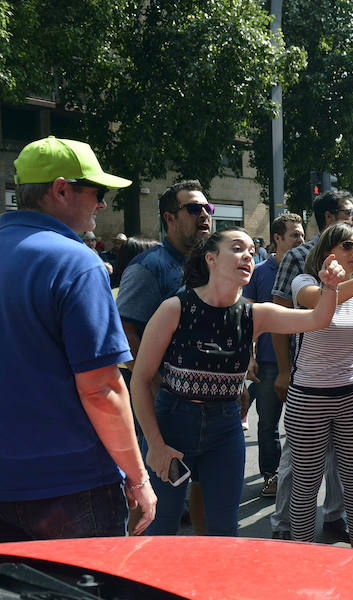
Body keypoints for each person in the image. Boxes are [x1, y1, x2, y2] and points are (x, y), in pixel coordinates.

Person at [131, 227, 344, 536]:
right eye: (236, 248)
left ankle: (213, 585)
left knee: (224, 530)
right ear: (211, 259)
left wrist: (331, 287)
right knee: (160, 526)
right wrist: (155, 445)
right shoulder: (176, 308)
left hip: (225, 428)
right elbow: (139, 381)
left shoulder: (254, 314)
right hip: (173, 423)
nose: (247, 255)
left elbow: (318, 319)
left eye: (250, 251)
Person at [0, 136, 156, 540]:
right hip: (70, 486)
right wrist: (138, 478)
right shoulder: (75, 262)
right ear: (61, 189)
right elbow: (101, 387)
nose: (102, 204)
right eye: (97, 192)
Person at [267, 190, 353, 540]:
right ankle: (302, 558)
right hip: (308, 399)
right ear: (328, 254)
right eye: (348, 246)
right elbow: (318, 305)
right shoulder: (304, 282)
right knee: (305, 486)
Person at [116, 179, 212, 533]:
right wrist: (155, 384)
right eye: (193, 208)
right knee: (159, 510)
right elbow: (125, 332)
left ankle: (203, 569)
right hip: (164, 408)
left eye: (207, 208)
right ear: (170, 218)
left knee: (204, 491)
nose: (204, 214)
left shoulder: (211, 263)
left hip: (212, 407)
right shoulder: (149, 267)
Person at [243, 212, 305, 499]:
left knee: (301, 427)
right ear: (277, 238)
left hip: (303, 362)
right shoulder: (257, 272)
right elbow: (245, 319)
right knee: (268, 423)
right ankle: (271, 475)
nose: (300, 239)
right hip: (268, 362)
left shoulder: (307, 269)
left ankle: (298, 476)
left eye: (302, 233)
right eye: (294, 234)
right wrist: (249, 356)